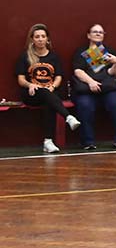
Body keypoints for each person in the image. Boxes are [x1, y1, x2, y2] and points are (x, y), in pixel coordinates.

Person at [15, 23, 80, 153]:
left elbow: (59, 77)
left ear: (47, 39)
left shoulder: (54, 57)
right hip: (32, 93)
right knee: (47, 95)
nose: (40, 39)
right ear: (32, 39)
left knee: (49, 101)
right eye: (37, 36)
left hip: (50, 93)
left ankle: (48, 142)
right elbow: (21, 79)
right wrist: (30, 84)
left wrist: (53, 86)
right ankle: (68, 117)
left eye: (43, 36)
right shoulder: (25, 56)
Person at [70, 23, 116, 150]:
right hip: (86, 88)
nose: (98, 34)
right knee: (85, 105)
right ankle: (87, 142)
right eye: (95, 31)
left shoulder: (109, 52)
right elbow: (78, 71)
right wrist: (91, 82)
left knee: (114, 103)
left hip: (107, 88)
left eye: (101, 32)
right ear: (88, 35)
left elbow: (112, 73)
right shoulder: (81, 52)